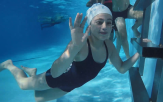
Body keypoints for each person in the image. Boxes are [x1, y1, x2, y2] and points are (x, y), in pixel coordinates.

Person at [0, 3, 140, 102]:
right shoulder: (81, 44)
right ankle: (9, 65)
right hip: (55, 78)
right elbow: (55, 72)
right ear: (90, 25)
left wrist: (139, 52)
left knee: (38, 98)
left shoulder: (109, 46)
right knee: (23, 84)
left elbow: (121, 68)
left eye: (109, 23)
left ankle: (33, 73)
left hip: (70, 86)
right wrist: (73, 47)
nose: (105, 27)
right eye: (99, 22)